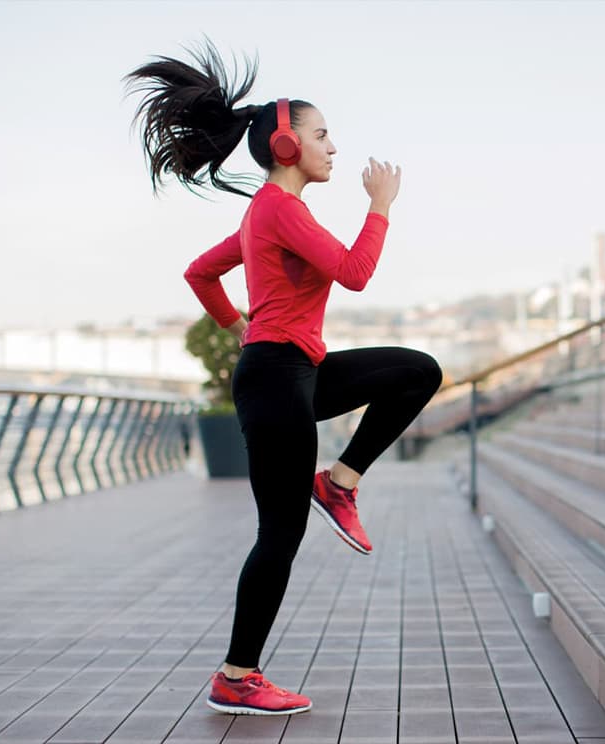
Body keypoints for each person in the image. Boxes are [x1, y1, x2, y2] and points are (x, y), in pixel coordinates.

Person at [125, 41, 443, 716]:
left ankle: (339, 481)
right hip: (276, 379)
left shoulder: (267, 215)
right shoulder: (277, 210)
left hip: (293, 369)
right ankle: (237, 676)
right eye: (322, 134)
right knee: (280, 534)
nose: (333, 146)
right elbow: (355, 273)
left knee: (416, 372)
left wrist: (236, 324)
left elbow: (199, 273)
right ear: (286, 144)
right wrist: (381, 206)